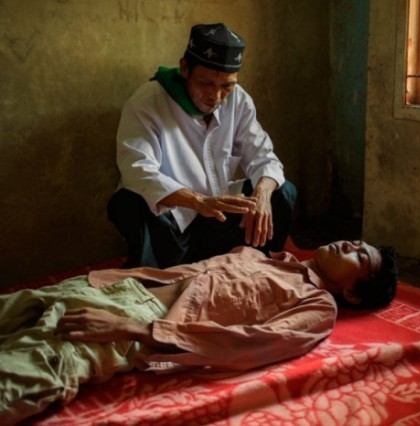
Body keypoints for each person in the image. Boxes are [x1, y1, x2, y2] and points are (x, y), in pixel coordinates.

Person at [0, 240, 398, 424]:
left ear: (353, 293)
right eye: (357, 242)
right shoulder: (258, 255)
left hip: (130, 320)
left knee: (15, 376)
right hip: (106, 286)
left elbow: (252, 343)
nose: (349, 243)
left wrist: (131, 328)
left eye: (359, 256)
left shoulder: (318, 305)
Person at [107, 22, 297, 268]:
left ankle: (255, 269)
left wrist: (262, 195)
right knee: (127, 203)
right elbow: (137, 171)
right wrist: (198, 201)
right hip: (173, 225)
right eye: (206, 83)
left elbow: (264, 157)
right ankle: (157, 276)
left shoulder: (238, 100)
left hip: (216, 219)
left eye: (226, 86)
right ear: (185, 68)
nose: (216, 97)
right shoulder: (148, 103)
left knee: (281, 192)